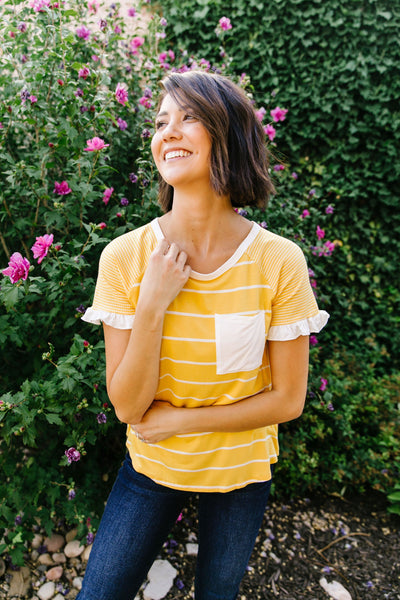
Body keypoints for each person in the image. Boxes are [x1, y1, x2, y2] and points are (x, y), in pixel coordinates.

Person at [79, 69, 329, 600]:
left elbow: (288, 399)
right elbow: (127, 406)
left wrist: (182, 422)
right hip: (151, 465)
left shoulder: (278, 261)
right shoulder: (124, 258)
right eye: (161, 121)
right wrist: (152, 303)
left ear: (229, 136)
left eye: (189, 117)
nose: (168, 130)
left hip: (241, 473)